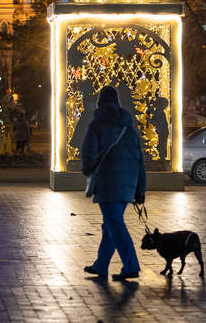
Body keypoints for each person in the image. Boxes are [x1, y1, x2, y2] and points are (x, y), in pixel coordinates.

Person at [80, 86, 146, 281]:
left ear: (100, 103)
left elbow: (88, 152)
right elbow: (139, 161)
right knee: (110, 223)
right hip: (128, 185)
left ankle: (131, 266)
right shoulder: (129, 129)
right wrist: (140, 189)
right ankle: (101, 265)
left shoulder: (97, 126)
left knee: (114, 223)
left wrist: (88, 169)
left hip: (108, 182)